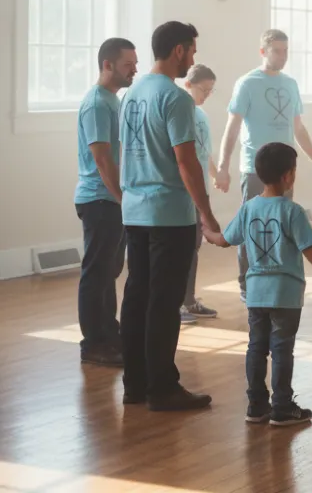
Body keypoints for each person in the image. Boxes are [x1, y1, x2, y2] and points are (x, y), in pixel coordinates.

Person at [205, 143, 312, 426]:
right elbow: (310, 250)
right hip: (285, 295)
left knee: (256, 347)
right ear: (288, 176)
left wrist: (208, 233)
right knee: (282, 349)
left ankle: (256, 406)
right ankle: (282, 406)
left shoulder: (248, 208)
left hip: (256, 294)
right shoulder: (293, 211)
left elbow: (225, 240)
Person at [120, 21, 221, 411]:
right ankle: (162, 387)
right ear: (179, 50)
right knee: (164, 302)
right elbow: (187, 162)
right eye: (192, 51)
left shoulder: (133, 94)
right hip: (168, 214)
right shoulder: (177, 99)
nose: (193, 58)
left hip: (135, 209)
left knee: (137, 295)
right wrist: (207, 215)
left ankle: (135, 383)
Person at [213, 29, 312, 300]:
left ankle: (278, 276)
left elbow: (298, 128)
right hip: (255, 169)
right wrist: (222, 166)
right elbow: (233, 127)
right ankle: (247, 283)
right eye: (277, 50)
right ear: (263, 52)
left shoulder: (290, 84)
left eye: (286, 50)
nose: (283, 56)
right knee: (252, 226)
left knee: (283, 226)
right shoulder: (247, 83)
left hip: (284, 168)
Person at [74, 37, 137, 366]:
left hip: (110, 200)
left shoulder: (114, 101)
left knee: (109, 271)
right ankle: (93, 344)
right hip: (99, 200)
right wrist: (122, 200)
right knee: (96, 273)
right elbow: (103, 160)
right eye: (129, 64)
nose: (135, 70)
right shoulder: (98, 103)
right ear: (108, 65)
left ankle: (109, 334)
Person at [180, 64, 219, 323]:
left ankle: (189, 300)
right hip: (184, 193)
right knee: (182, 250)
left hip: (200, 190)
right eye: (203, 90)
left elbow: (204, 153)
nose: (206, 95)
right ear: (188, 85)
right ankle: (177, 304)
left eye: (210, 91)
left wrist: (216, 174)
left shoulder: (201, 115)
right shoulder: (180, 114)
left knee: (193, 248)